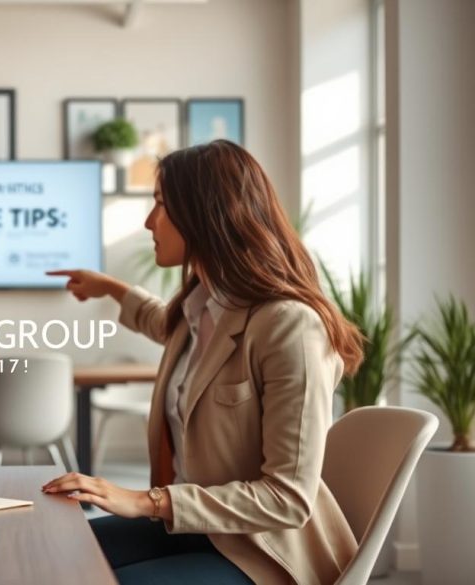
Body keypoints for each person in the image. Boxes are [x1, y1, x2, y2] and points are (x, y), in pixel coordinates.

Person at [44, 140, 363, 585]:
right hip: (197, 529)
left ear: (204, 214)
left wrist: (144, 501)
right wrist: (109, 288)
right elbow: (161, 321)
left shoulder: (290, 326)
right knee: (51, 555)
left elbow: (287, 499)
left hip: (263, 551)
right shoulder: (203, 307)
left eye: (160, 205)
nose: (148, 222)